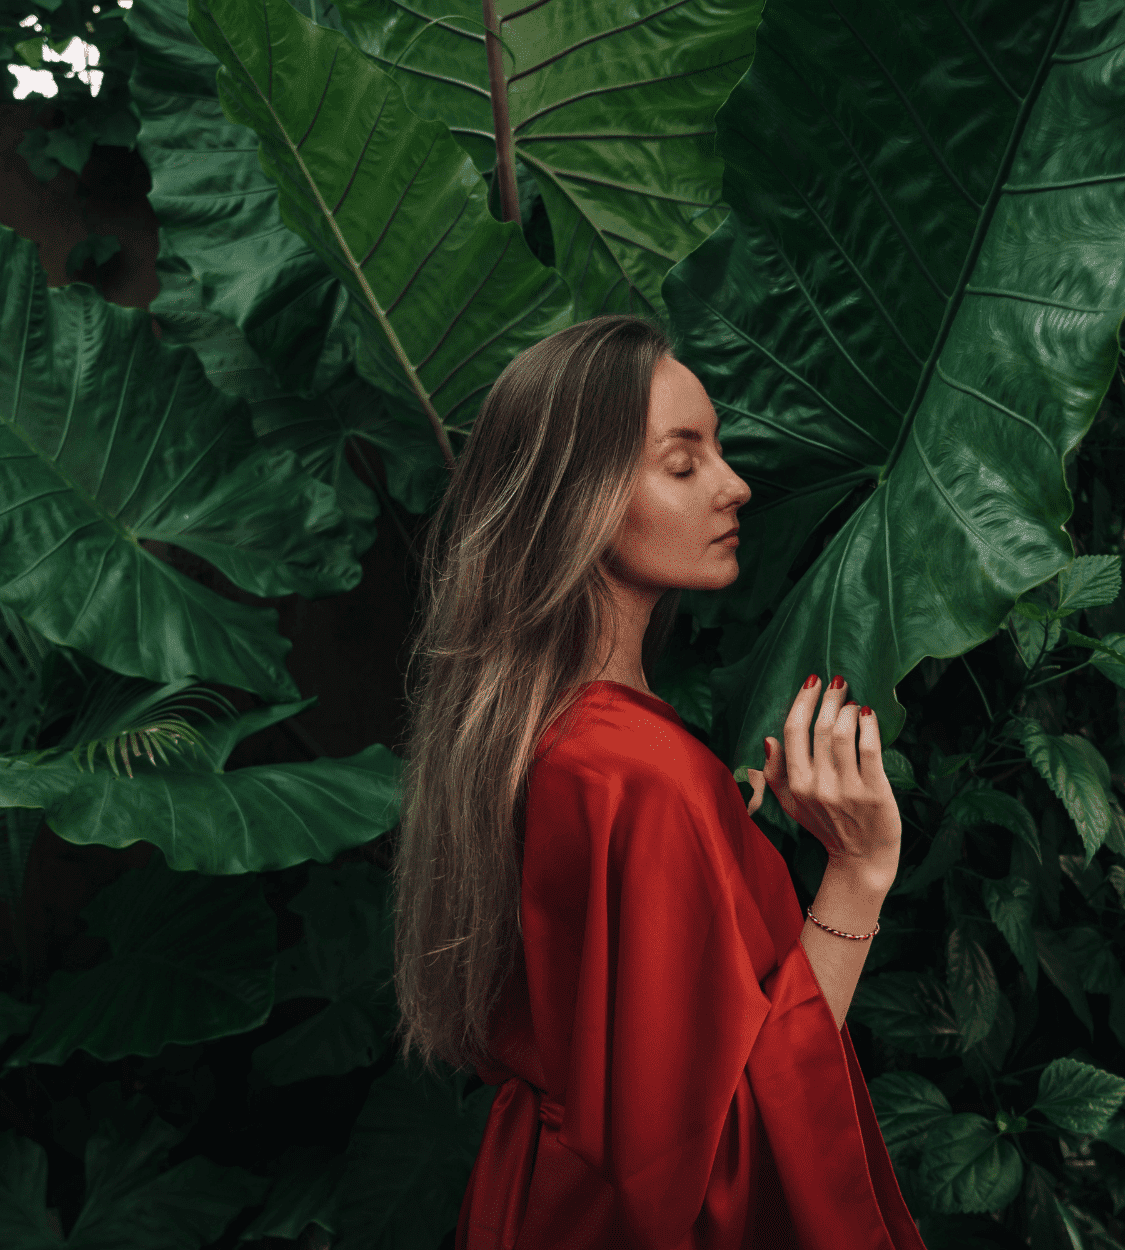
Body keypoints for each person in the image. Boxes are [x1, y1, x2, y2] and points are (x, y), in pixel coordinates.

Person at [385, 314, 926, 1248]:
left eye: (716, 449)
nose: (734, 484)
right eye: (682, 464)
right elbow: (729, 1150)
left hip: (536, 1201)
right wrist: (858, 871)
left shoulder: (547, 734)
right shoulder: (636, 775)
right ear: (576, 502)